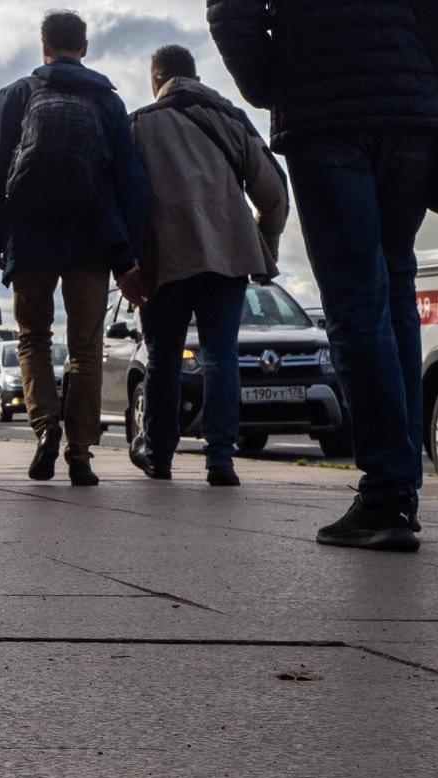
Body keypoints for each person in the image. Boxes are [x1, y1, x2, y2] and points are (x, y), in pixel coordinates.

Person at [211, 2, 438, 551]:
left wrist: (274, 79)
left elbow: (231, 10)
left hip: (327, 108)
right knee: (394, 286)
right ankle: (400, 487)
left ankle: (386, 493)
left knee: (358, 297)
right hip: (412, 109)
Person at [0, 9, 148, 486]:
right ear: (84, 48)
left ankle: (45, 429)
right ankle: (81, 453)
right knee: (86, 349)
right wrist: (129, 255)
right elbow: (130, 183)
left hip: (29, 237)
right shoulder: (108, 102)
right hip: (90, 240)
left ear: (44, 46)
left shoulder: (17, 95)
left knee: (33, 338)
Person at [128, 43, 289, 487]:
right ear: (195, 76)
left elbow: (124, 195)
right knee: (221, 355)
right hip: (229, 257)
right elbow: (274, 191)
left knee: (163, 358)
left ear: (156, 79)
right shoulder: (231, 118)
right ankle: (221, 458)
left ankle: (159, 454)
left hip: (167, 258)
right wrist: (262, 245)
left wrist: (126, 260)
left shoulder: (140, 124)